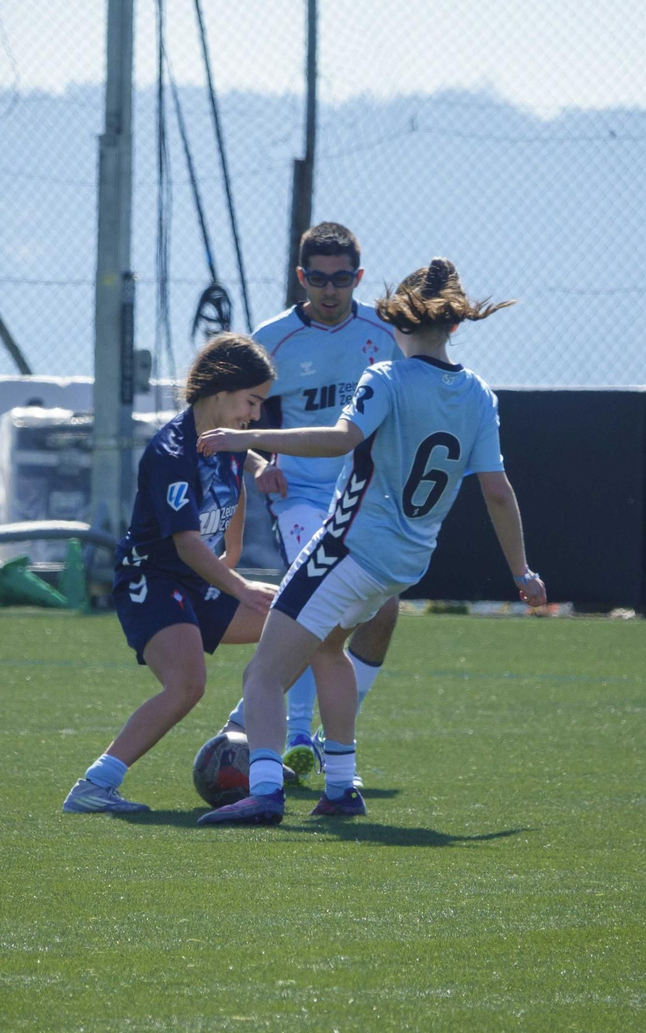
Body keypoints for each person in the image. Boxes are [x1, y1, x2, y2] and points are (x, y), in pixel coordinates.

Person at [195, 258, 548, 825]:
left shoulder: (385, 377)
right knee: (331, 652)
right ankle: (340, 787)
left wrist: (247, 436)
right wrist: (522, 572)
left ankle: (263, 792)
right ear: (454, 325)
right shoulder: (479, 394)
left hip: (348, 549)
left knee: (262, 674)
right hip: (403, 563)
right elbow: (499, 493)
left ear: (397, 322)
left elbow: (340, 440)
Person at [61, 334, 281, 813]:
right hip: (151, 580)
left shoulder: (226, 439)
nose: (255, 416)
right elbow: (184, 543)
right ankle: (94, 787)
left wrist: (234, 551)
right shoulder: (172, 451)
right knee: (187, 684)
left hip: (194, 578)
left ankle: (253, 736)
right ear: (222, 391)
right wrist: (240, 587)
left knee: (296, 628)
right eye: (252, 401)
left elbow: (236, 480)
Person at [221, 222, 408, 784]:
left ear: (359, 277)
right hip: (299, 494)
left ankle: (321, 731)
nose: (331, 290)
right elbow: (233, 415)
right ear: (302, 277)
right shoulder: (273, 338)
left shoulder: (385, 332)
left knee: (385, 611)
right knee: (316, 609)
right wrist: (258, 464)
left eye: (343, 278)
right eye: (320, 279)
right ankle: (296, 735)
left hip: (365, 496)